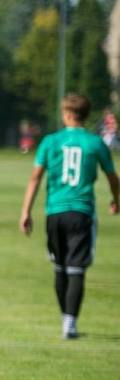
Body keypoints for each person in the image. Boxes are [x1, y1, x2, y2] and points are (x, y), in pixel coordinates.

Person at [21, 93, 119, 339]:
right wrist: (117, 201)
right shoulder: (96, 143)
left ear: (66, 114)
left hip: (55, 212)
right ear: (86, 115)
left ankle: (66, 319)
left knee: (59, 267)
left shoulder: (50, 141)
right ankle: (69, 325)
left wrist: (26, 211)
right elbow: (113, 179)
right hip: (82, 212)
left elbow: (35, 177)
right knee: (76, 269)